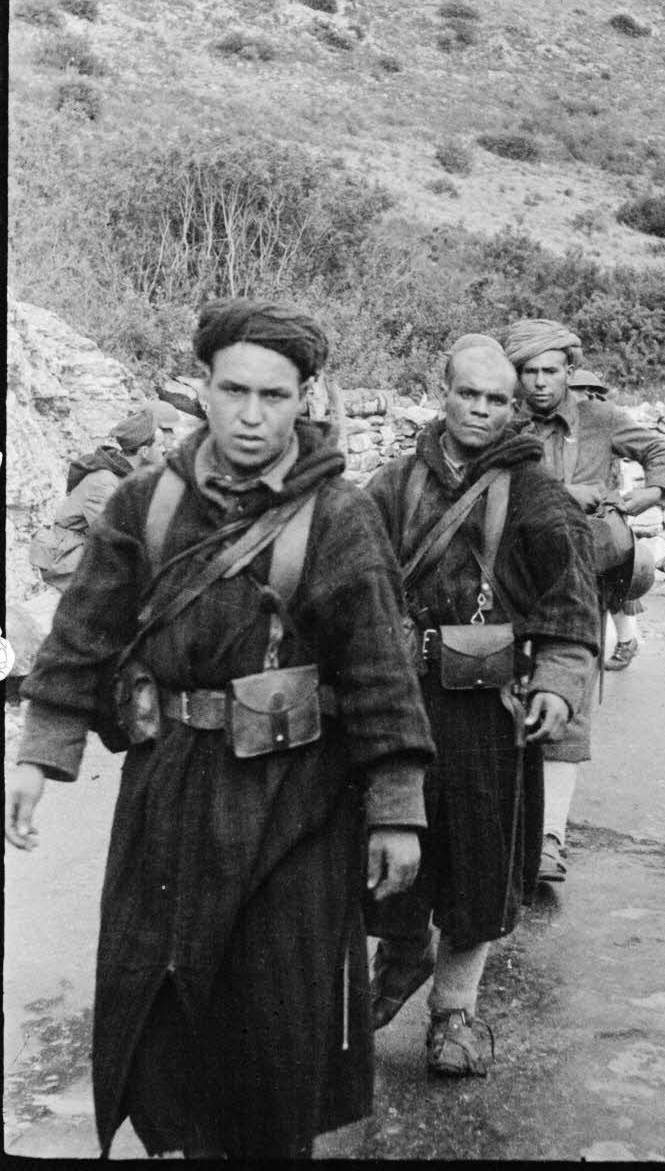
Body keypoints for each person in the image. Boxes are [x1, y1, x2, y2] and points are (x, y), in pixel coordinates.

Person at [6, 299, 436, 1159]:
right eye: (232, 389)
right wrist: (41, 756)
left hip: (296, 804)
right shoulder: (143, 502)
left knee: (277, 1016)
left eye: (273, 395)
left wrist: (395, 805)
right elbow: (82, 635)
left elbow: (380, 669)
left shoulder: (343, 517)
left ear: (306, 396)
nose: (250, 414)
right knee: (165, 1007)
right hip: (167, 787)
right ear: (201, 386)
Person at [364, 333, 598, 1077]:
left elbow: (571, 605)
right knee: (385, 847)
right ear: (445, 391)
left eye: (499, 399)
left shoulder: (539, 496)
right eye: (471, 394)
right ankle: (403, 953)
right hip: (397, 702)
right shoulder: (392, 484)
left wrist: (559, 686)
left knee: (478, 869)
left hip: (487, 715)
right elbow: (350, 587)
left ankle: (454, 1013)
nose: (484, 409)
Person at [503, 320, 665, 886]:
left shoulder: (601, 419)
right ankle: (505, 829)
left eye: (549, 371)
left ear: (570, 373)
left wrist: (642, 497)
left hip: (581, 579)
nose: (538, 382)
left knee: (568, 702)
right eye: (527, 372)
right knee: (499, 694)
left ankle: (549, 837)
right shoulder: (505, 423)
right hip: (510, 575)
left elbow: (656, 451)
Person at [29, 408, 166, 593]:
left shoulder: (124, 473)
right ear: (144, 451)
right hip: (67, 554)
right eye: (160, 446)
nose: (165, 450)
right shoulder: (104, 483)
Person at [569, 372, 647, 672]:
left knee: (618, 581)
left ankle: (627, 642)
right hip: (578, 511)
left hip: (605, 514)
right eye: (581, 391)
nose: (588, 396)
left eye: (592, 392)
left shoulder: (605, 421)